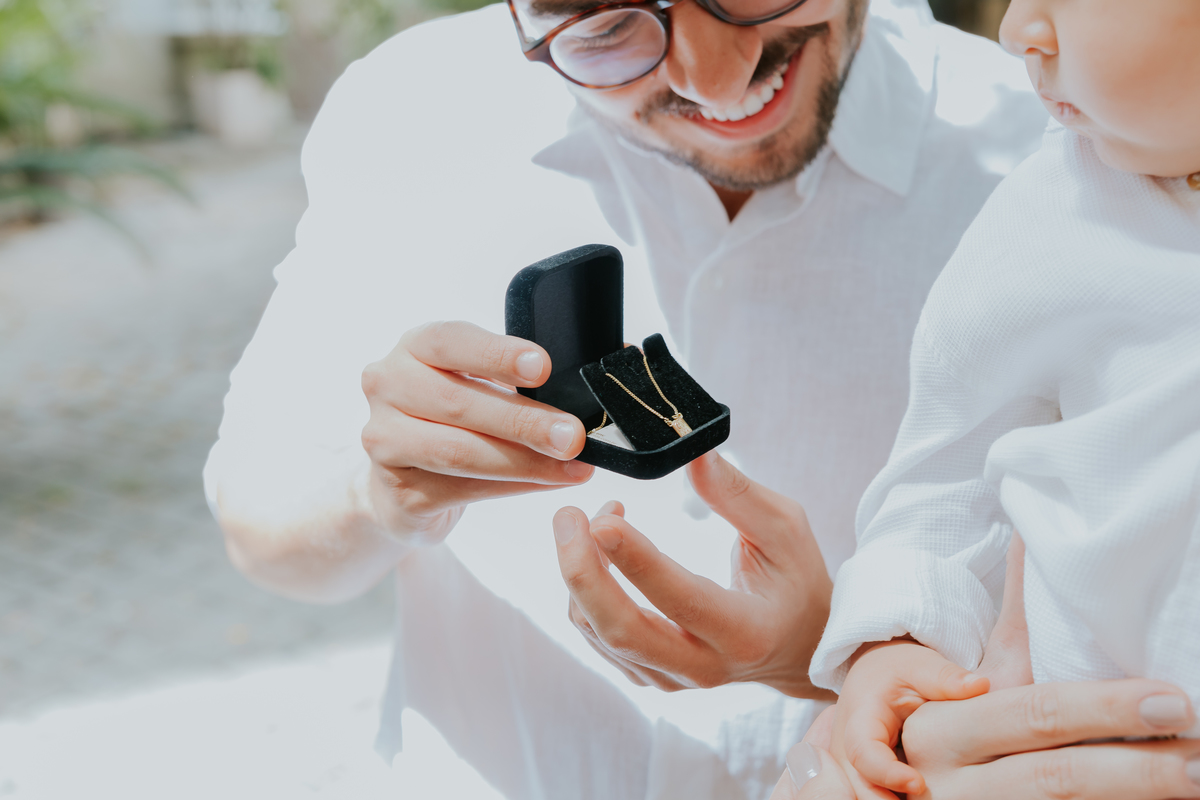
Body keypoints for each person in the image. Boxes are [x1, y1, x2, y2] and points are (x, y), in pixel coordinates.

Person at [202, 0, 1191, 795]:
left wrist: (831, 652)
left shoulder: (1074, 144)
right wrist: (386, 490)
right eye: (605, 24)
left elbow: (1104, 597)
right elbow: (261, 531)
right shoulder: (410, 110)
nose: (715, 80)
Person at [802, 0, 1200, 796]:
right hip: (1088, 746)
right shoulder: (1066, 200)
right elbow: (948, 464)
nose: (1021, 28)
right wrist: (903, 642)